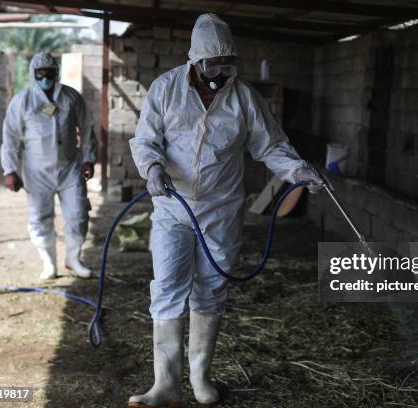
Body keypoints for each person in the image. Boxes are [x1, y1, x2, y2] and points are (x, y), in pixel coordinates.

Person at [129, 13, 323, 407]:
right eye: (212, 63)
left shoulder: (244, 98)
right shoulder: (165, 89)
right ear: (194, 61)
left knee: (211, 289)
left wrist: (298, 169)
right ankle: (165, 384)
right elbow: (146, 138)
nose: (220, 71)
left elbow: (270, 146)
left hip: (221, 210)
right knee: (167, 288)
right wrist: (151, 168)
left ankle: (201, 379)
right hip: (172, 207)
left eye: (226, 62)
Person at [0, 52, 97, 281]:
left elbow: (87, 127)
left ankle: (73, 258)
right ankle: (49, 262)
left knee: (78, 213)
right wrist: (10, 170)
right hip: (36, 171)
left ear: (57, 73)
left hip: (70, 167)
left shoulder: (72, 97)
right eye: (40, 73)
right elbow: (10, 136)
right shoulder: (22, 100)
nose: (45, 77)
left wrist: (89, 158)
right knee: (40, 216)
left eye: (49, 73)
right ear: (33, 74)